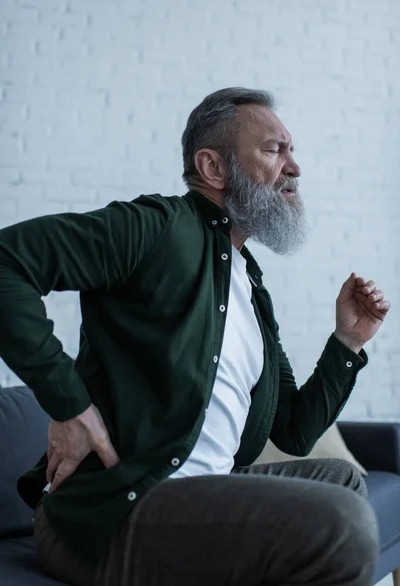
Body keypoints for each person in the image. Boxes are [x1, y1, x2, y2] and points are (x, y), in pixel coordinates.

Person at [0, 87, 391, 586]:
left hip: (198, 500)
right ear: (213, 168)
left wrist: (347, 344)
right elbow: (7, 262)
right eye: (274, 149)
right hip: (114, 513)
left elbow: (293, 431)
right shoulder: (154, 228)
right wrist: (68, 406)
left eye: (291, 150)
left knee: (341, 481)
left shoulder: (249, 286)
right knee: (341, 523)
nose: (295, 167)